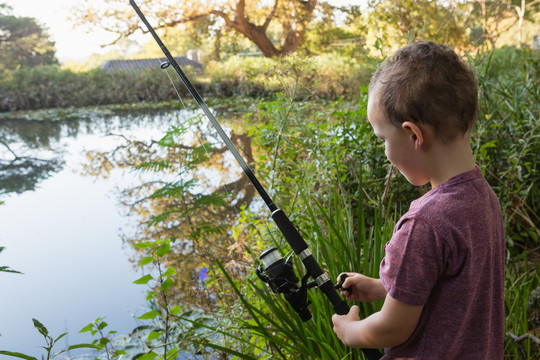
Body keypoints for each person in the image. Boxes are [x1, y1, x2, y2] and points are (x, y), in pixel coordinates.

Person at [331, 42, 505, 359]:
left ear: (413, 135)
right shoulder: (483, 198)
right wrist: (382, 286)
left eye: (383, 139)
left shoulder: (425, 224)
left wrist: (350, 330)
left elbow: (392, 329)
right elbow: (452, 286)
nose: (385, 153)